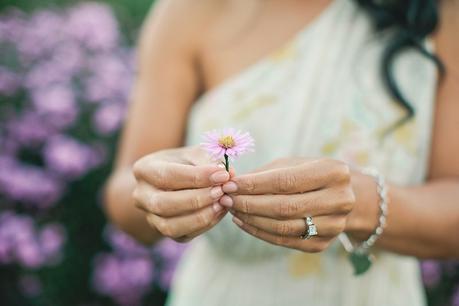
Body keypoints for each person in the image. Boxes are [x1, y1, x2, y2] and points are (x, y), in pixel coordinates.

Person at [104, 0, 459, 305]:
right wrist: (159, 191)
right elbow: (124, 192)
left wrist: (363, 206)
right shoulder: (191, 11)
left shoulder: (441, 16)